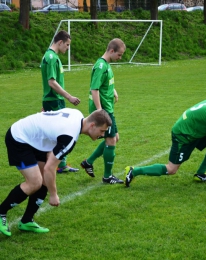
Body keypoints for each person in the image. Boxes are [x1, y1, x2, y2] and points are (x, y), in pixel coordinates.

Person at [0, 108, 112, 237]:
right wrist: (53, 195)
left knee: (45, 180)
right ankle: (1, 212)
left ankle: (26, 221)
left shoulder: (77, 114)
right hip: (19, 138)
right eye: (102, 131)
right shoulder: (70, 136)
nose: (102, 135)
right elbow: (50, 168)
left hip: (37, 140)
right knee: (35, 182)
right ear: (92, 125)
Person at [125, 97, 206, 187]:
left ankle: (200, 173)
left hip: (192, 129)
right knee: (171, 169)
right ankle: (133, 171)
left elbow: (205, 116)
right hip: (183, 135)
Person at [80, 38, 126, 184]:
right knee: (111, 139)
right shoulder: (100, 66)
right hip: (104, 109)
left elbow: (105, 83)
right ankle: (107, 176)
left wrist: (114, 91)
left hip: (108, 107)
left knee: (114, 138)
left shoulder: (106, 64)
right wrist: (100, 110)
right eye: (119, 55)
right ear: (111, 51)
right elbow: (94, 89)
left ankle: (89, 162)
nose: (120, 58)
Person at [41, 30, 81, 174]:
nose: (68, 48)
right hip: (54, 101)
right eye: (67, 45)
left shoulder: (51, 56)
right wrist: (69, 97)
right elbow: (51, 82)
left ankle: (60, 164)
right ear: (60, 42)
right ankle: (56, 164)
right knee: (59, 133)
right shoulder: (51, 57)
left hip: (52, 100)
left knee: (59, 132)